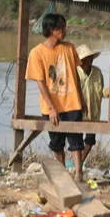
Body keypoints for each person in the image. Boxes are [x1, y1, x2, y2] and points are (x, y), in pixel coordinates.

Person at [25, 14, 86, 181]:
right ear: (52, 30)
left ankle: (79, 174)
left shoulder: (69, 48)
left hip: (72, 103)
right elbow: (41, 83)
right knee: (57, 142)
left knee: (76, 141)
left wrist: (82, 99)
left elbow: (76, 76)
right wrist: (52, 108)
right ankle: (63, 175)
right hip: (51, 106)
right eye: (61, 28)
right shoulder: (36, 53)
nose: (65, 31)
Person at [75, 44, 110, 163]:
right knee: (76, 140)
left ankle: (80, 162)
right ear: (80, 60)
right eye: (86, 58)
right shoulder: (75, 73)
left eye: (90, 58)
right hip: (78, 111)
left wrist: (109, 92)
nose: (89, 61)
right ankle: (77, 162)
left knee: (90, 140)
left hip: (93, 110)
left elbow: (101, 90)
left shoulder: (97, 72)